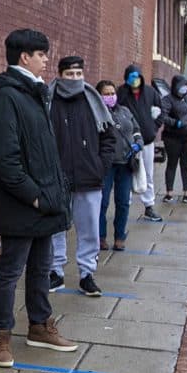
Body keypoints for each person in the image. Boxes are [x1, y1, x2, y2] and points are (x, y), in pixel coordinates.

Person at [0, 29, 76, 367]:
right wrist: (35, 198)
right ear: (25, 57)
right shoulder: (8, 94)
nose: (47, 60)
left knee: (41, 267)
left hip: (44, 201)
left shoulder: (32, 92)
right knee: (10, 271)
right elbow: (4, 158)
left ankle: (39, 326)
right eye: (42, 54)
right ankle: (0, 337)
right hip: (25, 203)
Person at [48, 56, 117, 296]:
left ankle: (87, 273)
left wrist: (101, 165)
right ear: (60, 75)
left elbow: (109, 137)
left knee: (89, 228)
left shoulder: (93, 101)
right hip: (57, 178)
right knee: (56, 226)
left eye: (78, 74)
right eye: (69, 74)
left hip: (89, 178)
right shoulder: (48, 101)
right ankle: (55, 272)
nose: (75, 79)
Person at [94, 80, 143, 253]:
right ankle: (100, 237)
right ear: (99, 96)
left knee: (123, 202)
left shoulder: (125, 111)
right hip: (106, 165)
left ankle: (120, 237)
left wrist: (138, 143)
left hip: (126, 163)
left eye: (112, 93)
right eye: (106, 94)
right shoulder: (96, 113)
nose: (110, 96)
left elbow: (137, 129)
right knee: (102, 202)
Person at [118, 65, 163, 222]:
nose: (135, 80)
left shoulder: (150, 92)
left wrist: (153, 128)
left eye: (137, 76)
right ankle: (125, 203)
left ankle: (149, 205)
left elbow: (160, 111)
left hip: (147, 141)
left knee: (148, 174)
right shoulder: (121, 93)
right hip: (128, 142)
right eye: (131, 76)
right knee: (127, 172)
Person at [160, 73, 187, 203]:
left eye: (185, 86)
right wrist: (176, 123)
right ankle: (169, 193)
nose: (184, 88)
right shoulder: (167, 100)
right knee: (172, 164)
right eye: (181, 86)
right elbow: (163, 116)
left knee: (186, 165)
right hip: (172, 138)